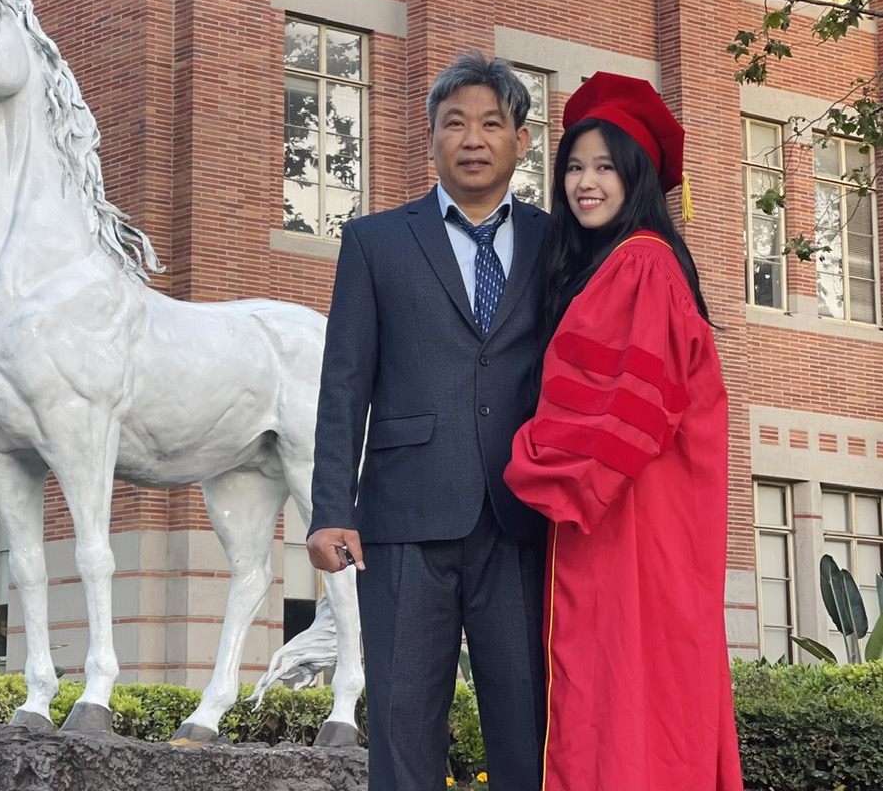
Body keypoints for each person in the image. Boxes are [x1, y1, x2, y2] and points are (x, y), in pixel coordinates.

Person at [307, 50, 548, 791]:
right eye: (454, 124)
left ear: (520, 141)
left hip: (522, 519)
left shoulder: (557, 242)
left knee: (528, 723)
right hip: (403, 519)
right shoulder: (375, 242)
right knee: (404, 722)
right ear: (430, 140)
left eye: (490, 124)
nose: (471, 139)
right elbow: (343, 382)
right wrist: (328, 510)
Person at [504, 72, 744, 791]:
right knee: (652, 699)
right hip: (646, 529)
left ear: (636, 176)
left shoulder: (638, 265)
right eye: (574, 166)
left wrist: (516, 459)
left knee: (620, 703)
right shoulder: (622, 264)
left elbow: (612, 421)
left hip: (628, 530)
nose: (584, 182)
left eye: (605, 166)